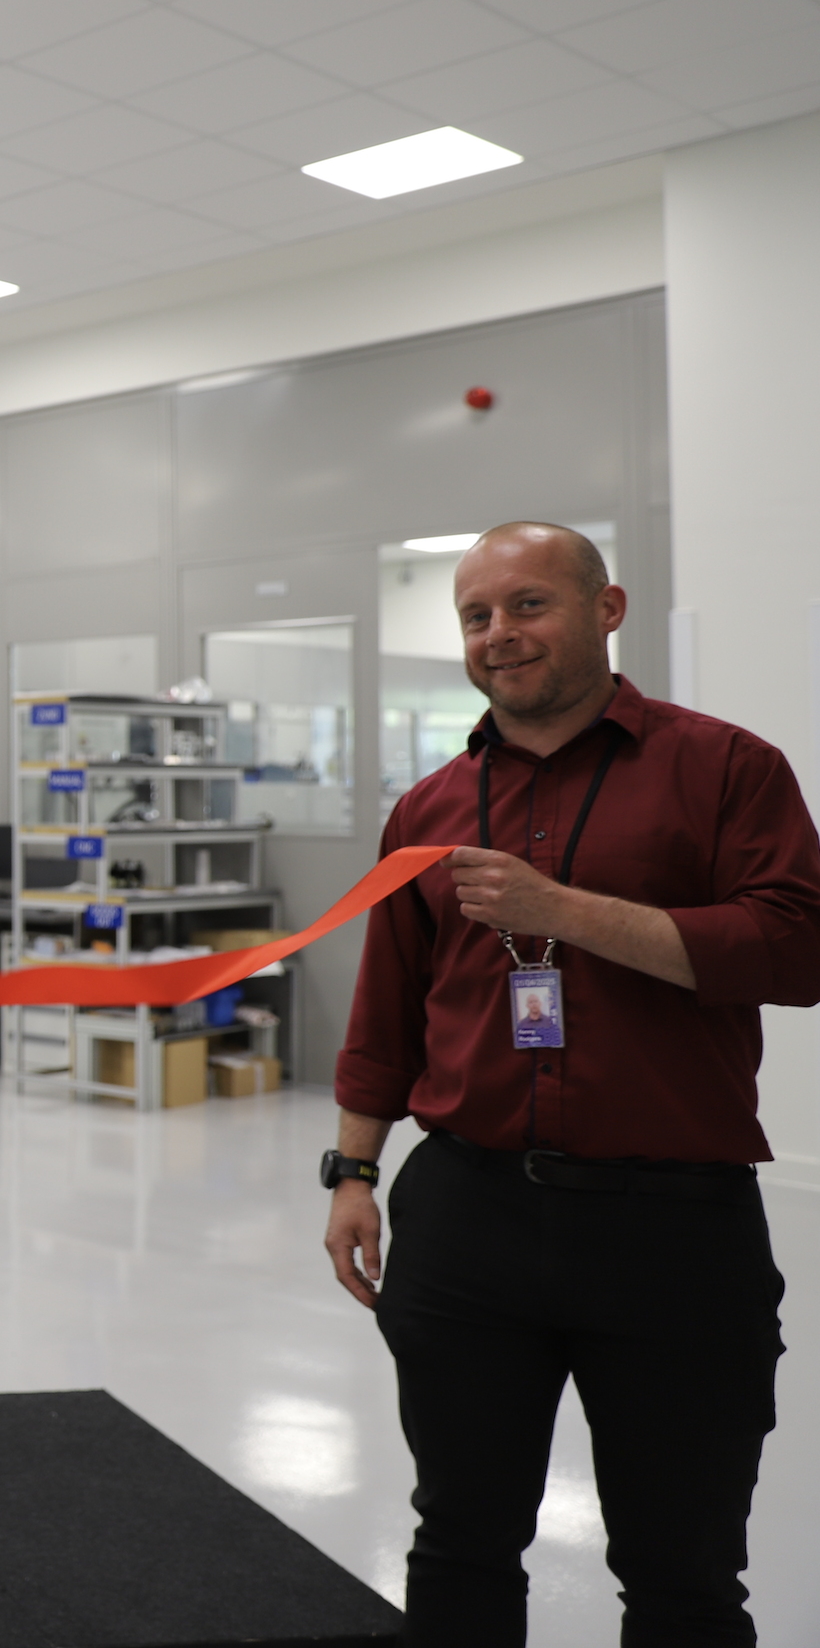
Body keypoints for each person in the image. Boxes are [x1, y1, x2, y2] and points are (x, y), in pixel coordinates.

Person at [324, 521, 820, 1643]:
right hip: (465, 1214)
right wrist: (352, 1168)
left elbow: (793, 951)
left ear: (605, 608)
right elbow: (387, 1010)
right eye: (474, 614)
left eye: (527, 603)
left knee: (681, 1568)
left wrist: (561, 912)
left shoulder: (724, 767)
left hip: (672, 1227)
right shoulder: (428, 808)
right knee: (457, 1538)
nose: (498, 633)